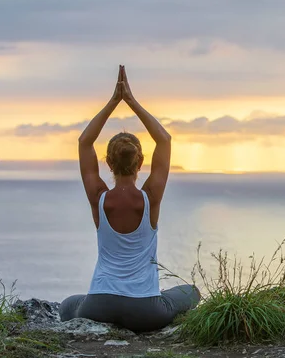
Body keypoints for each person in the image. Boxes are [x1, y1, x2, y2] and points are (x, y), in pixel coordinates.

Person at [59, 65, 200, 332]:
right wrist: (131, 102)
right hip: (145, 310)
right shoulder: (150, 199)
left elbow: (84, 143)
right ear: (141, 162)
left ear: (108, 163)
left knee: (69, 304)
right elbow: (165, 141)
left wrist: (114, 101)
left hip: (100, 305)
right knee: (191, 292)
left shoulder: (99, 199)